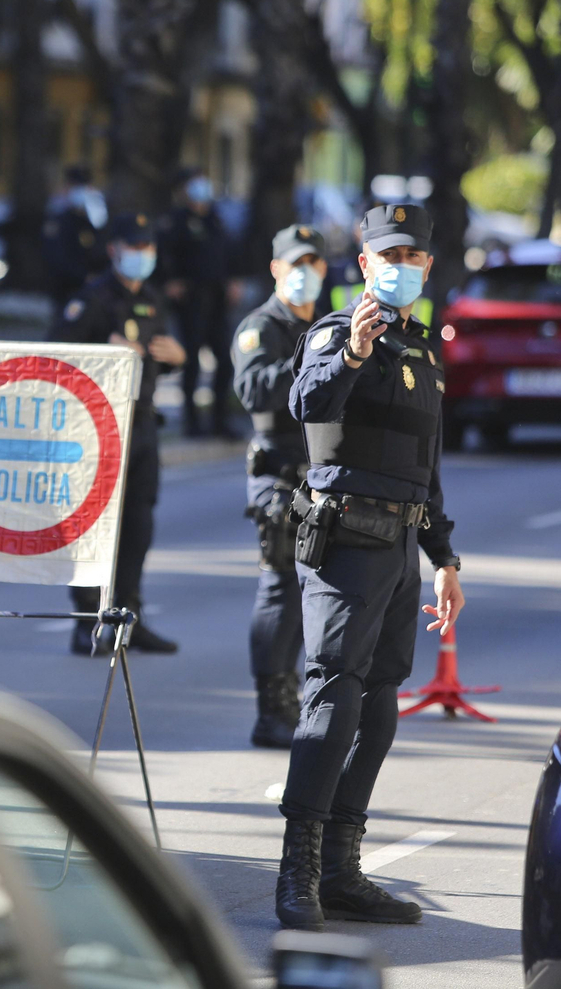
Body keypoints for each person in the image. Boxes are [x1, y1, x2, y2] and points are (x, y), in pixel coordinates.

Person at [274, 203, 464, 930]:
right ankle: (299, 871)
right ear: (364, 266)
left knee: (379, 708)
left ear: (427, 266)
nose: (403, 267)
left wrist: (445, 557)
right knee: (333, 699)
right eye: (391, 256)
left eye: (414, 257)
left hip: (403, 547)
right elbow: (307, 400)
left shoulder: (420, 350)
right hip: (346, 542)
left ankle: (342, 870)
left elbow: (429, 466)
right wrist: (350, 353)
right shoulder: (334, 333)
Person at [48, 212, 187, 656]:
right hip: (98, 426)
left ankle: (129, 618)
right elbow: (57, 353)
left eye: (148, 248)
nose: (142, 256)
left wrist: (177, 357)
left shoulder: (151, 298)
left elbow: (159, 351)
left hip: (142, 422)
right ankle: (86, 619)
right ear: (114, 251)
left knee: (137, 527)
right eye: (134, 247)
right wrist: (100, 352)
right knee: (93, 525)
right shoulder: (90, 299)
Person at [232, 224, 326, 748]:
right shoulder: (261, 326)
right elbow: (253, 388)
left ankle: (298, 692)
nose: (304, 273)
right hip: (279, 476)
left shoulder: (332, 322)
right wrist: (315, 369)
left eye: (312, 263)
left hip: (325, 476)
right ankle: (271, 706)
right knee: (281, 588)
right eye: (294, 264)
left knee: (319, 594)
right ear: (276, 269)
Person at [158, 167, 235, 436]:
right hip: (191, 299)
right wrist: (171, 281)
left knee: (224, 359)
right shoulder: (176, 221)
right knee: (191, 360)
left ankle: (219, 420)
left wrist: (233, 280)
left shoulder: (215, 218)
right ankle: (192, 422)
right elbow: (165, 255)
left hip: (217, 298)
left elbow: (228, 252)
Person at [43, 163, 111, 310]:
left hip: (94, 288)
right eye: (76, 186)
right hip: (66, 289)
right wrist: (82, 276)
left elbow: (103, 250)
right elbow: (56, 256)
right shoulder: (59, 220)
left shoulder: (97, 219)